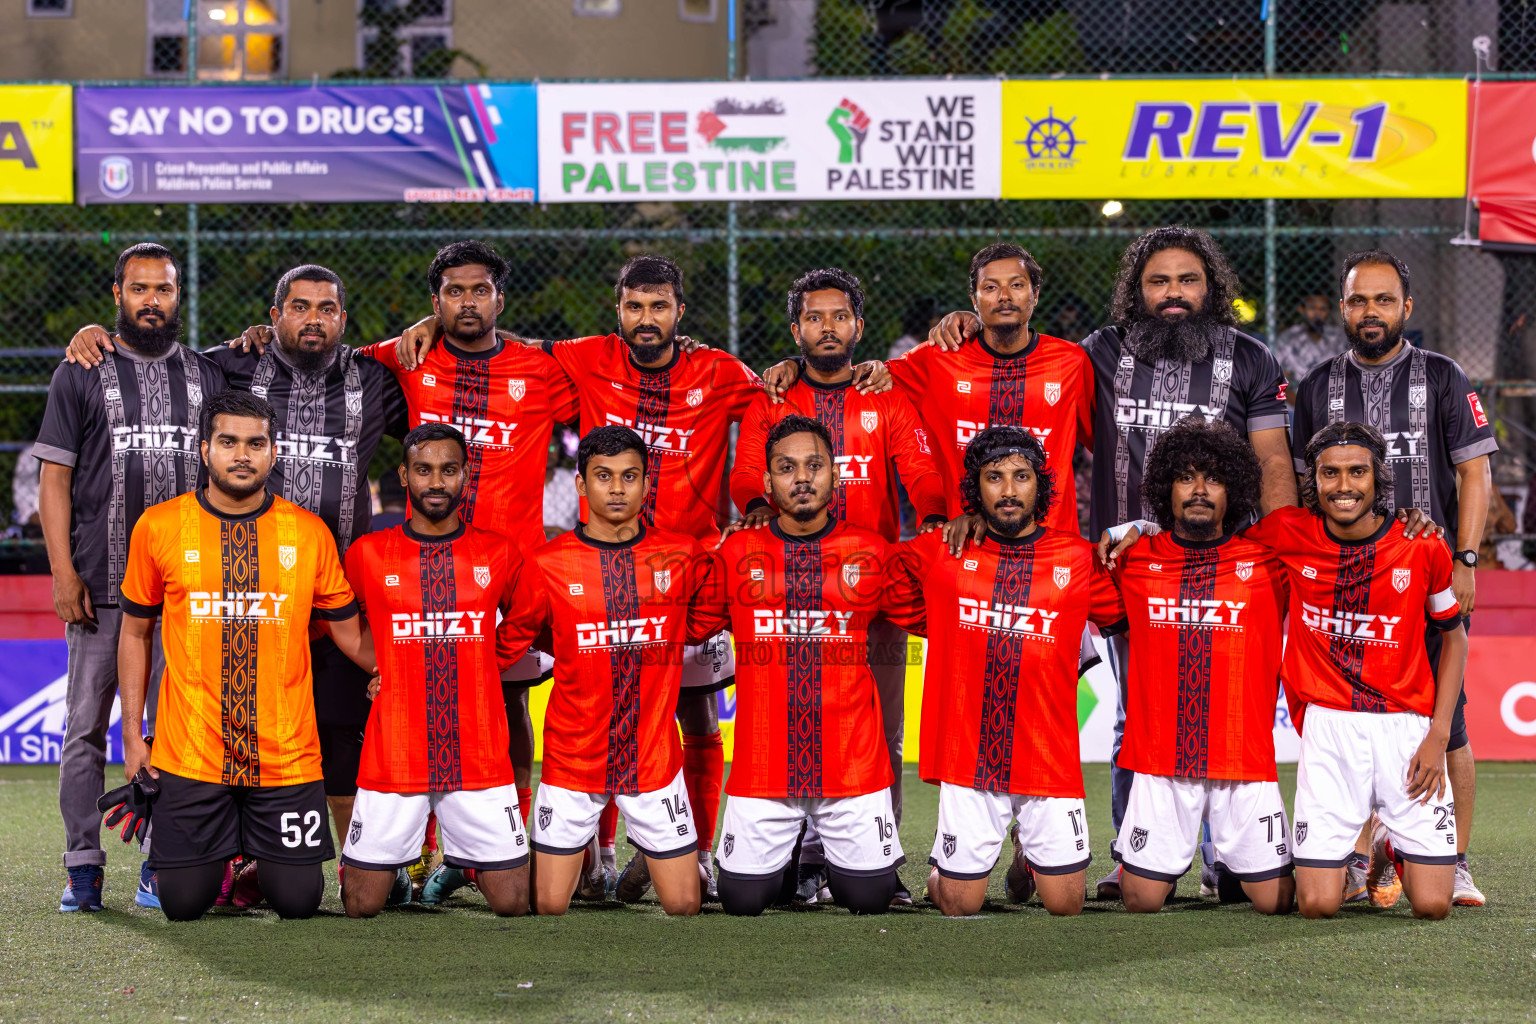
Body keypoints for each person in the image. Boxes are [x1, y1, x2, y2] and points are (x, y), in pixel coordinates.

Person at [928, 227, 1298, 899]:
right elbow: (1011, 371)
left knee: (1233, 706)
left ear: (1210, 285)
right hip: (1125, 563)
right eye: (1159, 281)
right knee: (1135, 711)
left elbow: (1273, 459)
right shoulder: (1098, 352)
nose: (1174, 294)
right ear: (1137, 289)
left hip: (1228, 567)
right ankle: (1130, 854)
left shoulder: (1250, 357)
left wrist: (1276, 552)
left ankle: (1230, 864)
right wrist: (962, 324)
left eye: (1188, 280)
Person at [396, 254, 763, 902]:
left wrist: (751, 496)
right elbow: (498, 340)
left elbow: (769, 403)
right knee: (591, 700)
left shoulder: (720, 371)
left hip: (689, 571)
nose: (645, 319)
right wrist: (437, 318)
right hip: (591, 570)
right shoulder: (582, 357)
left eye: (659, 306)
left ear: (681, 311)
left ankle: (693, 852)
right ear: (616, 309)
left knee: (695, 714)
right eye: (633, 306)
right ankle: (583, 849)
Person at [67, 264, 413, 904]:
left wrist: (413, 334)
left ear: (344, 318)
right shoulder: (230, 367)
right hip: (237, 592)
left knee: (337, 741)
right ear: (274, 314)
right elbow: (160, 358)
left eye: (328, 309)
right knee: (217, 725)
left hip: (333, 592)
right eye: (299, 307)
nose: (314, 319)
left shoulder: (374, 382)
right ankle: (203, 856)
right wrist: (97, 335)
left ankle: (357, 867)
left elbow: (435, 414)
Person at [115, 390, 376, 922]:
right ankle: (223, 849)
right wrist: (134, 740)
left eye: (255, 443)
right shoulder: (159, 526)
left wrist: (394, 671)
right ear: (204, 449)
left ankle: (251, 854)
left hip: (286, 757)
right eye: (228, 442)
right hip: (189, 754)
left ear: (273, 453)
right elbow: (135, 634)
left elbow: (351, 636)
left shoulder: (308, 533)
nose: (241, 455)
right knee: (183, 904)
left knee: (299, 902)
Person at [731, 268, 948, 905]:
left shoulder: (887, 394)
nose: (828, 328)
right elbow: (748, 476)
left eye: (840, 317)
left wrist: (935, 520)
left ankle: (880, 855)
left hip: (867, 597)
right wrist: (755, 512)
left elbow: (920, 469)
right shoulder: (771, 396)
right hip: (783, 595)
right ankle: (799, 860)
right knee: (787, 721)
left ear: (858, 325)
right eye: (814, 318)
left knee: (882, 734)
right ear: (795, 329)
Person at [1291, 250, 1497, 909]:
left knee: (1451, 726)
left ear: (1406, 308)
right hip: (1345, 594)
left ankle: (1454, 860)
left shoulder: (1443, 375)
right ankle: (1362, 852)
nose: (1369, 311)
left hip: (1426, 581)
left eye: (1384, 300)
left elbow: (1474, 471)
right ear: (1343, 307)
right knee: (1351, 720)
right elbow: (1303, 485)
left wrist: (1464, 558)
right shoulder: (1318, 383)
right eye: (1358, 300)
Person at [361, 241, 580, 848]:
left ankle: (515, 839)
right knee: (416, 710)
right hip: (426, 572)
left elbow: (604, 402)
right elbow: (327, 359)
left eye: (479, 290)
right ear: (435, 302)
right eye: (453, 292)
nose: (467, 301)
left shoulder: (539, 371)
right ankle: (421, 854)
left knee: (510, 707)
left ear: (499, 298)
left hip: (512, 575)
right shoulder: (409, 356)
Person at [36, 242, 227, 913]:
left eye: (164, 290)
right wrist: (62, 572)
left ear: (180, 297)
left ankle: (161, 862)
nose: (152, 301)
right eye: (140, 289)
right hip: (100, 588)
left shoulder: (208, 375)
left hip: (183, 596)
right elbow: (53, 479)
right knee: (85, 729)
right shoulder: (80, 371)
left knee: (177, 733)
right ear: (117, 293)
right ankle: (82, 866)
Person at [691, 415, 923, 916]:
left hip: (852, 764)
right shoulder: (735, 551)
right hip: (764, 766)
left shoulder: (870, 551)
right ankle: (786, 860)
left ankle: (822, 861)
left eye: (814, 465)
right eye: (786, 467)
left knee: (869, 899)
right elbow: (689, 621)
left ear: (835, 476)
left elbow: (935, 612)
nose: (801, 478)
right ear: (768, 480)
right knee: (742, 900)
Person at [898, 426, 1126, 917]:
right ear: (975, 490)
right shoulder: (945, 549)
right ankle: (946, 862)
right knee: (959, 905)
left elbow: (1127, 609)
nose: (1007, 490)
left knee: (1066, 906)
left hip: (1048, 757)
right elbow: (887, 582)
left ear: (1040, 485)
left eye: (1021, 476)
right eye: (994, 477)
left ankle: (1027, 853)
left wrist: (1138, 531)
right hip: (970, 755)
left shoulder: (1077, 559)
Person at [499, 425, 719, 916]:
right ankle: (587, 859)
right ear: (581, 485)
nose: (617, 488)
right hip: (572, 761)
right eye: (603, 476)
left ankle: (649, 851)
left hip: (653, 762)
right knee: (546, 905)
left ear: (646, 483)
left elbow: (709, 616)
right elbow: (513, 640)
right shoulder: (547, 564)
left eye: (629, 476)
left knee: (685, 905)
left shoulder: (682, 555)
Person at [1259, 422, 1463, 920]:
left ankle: (1386, 846)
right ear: (1315, 480)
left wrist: (1438, 734)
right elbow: (1211, 543)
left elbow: (1454, 637)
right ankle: (1357, 849)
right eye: (1330, 474)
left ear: (1378, 478)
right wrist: (1137, 530)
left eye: (1357, 472)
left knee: (1434, 906)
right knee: (1317, 905)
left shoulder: (1423, 547)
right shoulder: (1288, 532)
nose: (1344, 486)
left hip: (1406, 727)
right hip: (1330, 726)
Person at [766, 242, 1095, 540]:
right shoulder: (937, 358)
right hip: (959, 540)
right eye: (990, 287)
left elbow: (1103, 440)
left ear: (1035, 294)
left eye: (1017, 285)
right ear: (974, 299)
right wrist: (797, 363)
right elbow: (850, 376)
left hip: (1053, 544)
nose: (1004, 296)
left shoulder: (1071, 361)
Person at [1102, 417, 1293, 915]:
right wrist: (1131, 529)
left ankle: (1228, 863)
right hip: (1162, 762)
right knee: (1140, 902)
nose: (1200, 490)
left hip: (1243, 760)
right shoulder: (1132, 560)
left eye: (1214, 478)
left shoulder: (1271, 561)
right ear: (1167, 488)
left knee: (1278, 903)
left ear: (1235, 490)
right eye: (1186, 477)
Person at [339, 423, 530, 918]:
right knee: (361, 905)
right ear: (404, 475)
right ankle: (399, 869)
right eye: (424, 470)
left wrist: (486, 660)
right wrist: (384, 662)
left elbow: (529, 616)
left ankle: (463, 863)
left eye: (449, 470)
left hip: (478, 749)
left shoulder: (499, 551)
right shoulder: (368, 552)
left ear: (466, 476)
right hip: (394, 750)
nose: (437, 482)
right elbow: (337, 621)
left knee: (513, 902)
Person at [1272, 293, 1348, 396]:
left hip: (1331, 400)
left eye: (1323, 309)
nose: (1318, 313)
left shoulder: (1337, 337)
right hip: (1295, 402)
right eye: (1312, 308)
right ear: (1301, 309)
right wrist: (1302, 408)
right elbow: (1279, 381)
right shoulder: (1288, 338)